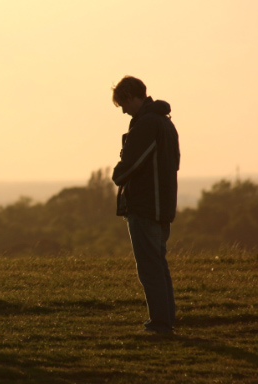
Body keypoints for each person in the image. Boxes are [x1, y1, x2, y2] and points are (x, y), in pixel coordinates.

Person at [111, 76, 180, 334]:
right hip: (162, 206)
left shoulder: (147, 124)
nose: (124, 110)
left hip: (145, 207)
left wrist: (117, 173)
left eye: (123, 104)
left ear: (131, 96)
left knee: (149, 267)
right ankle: (166, 318)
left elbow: (128, 166)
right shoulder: (165, 123)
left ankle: (160, 323)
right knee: (159, 264)